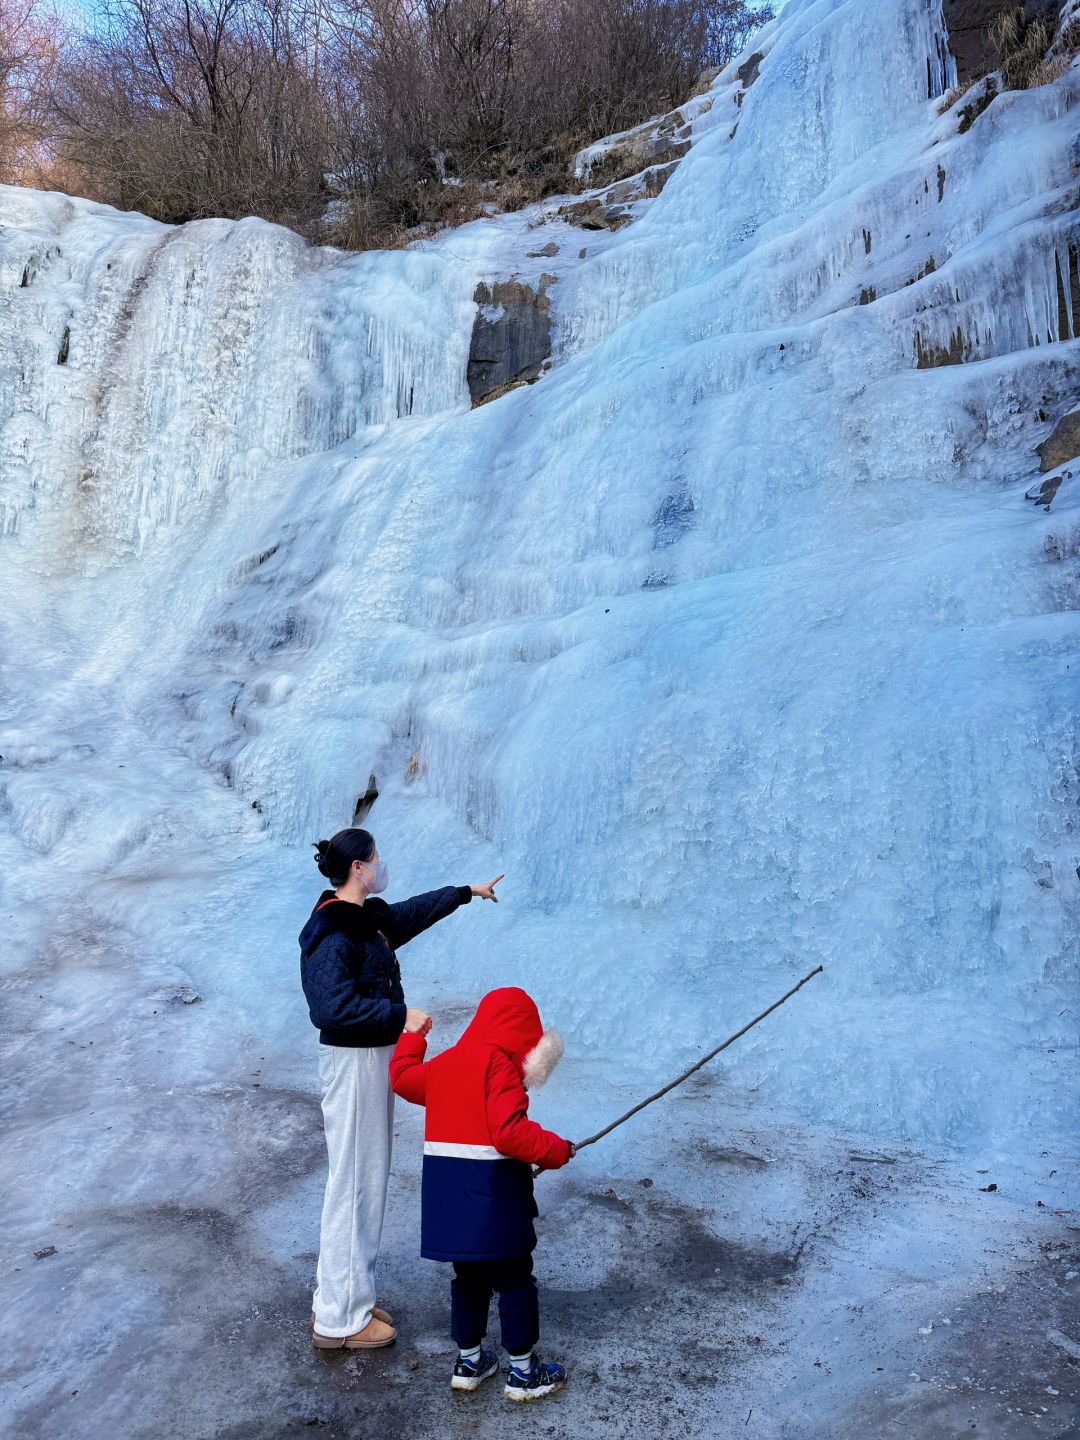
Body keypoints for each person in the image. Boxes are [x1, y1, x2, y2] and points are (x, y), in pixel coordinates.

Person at [299, 825, 503, 1350]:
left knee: (364, 1175)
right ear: (359, 869)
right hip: (354, 1061)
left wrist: (464, 893)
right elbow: (330, 1007)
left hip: (369, 1056)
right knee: (356, 1180)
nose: (381, 863)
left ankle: (348, 1297)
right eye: (375, 858)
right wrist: (399, 1015)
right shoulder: (333, 933)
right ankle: (340, 1319)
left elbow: (409, 914)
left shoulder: (363, 920)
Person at [389, 986, 575, 1400]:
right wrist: (556, 1150)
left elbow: (402, 1079)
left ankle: (469, 1363)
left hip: (450, 1200)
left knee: (468, 1278)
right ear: (523, 1036)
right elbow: (509, 1133)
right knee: (514, 1281)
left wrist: (413, 1038)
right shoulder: (499, 1066)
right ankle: (524, 1373)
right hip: (494, 1199)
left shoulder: (449, 1062)